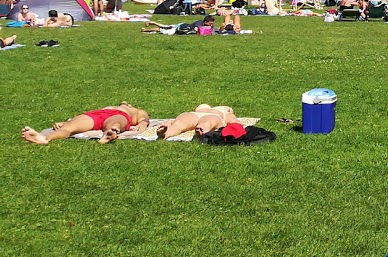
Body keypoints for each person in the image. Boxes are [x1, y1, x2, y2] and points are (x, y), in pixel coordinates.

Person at [23, 103, 151, 145]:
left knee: (115, 122)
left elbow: (144, 117)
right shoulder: (111, 106)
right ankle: (45, 138)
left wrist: (143, 124)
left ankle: (111, 132)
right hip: (96, 114)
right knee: (70, 127)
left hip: (118, 115)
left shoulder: (132, 110)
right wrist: (66, 122)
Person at [157, 103, 236, 139]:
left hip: (200, 115)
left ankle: (167, 132)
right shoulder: (225, 112)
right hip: (198, 114)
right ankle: (165, 133)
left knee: (178, 124)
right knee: (178, 123)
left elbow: (231, 119)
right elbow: (232, 120)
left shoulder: (225, 114)